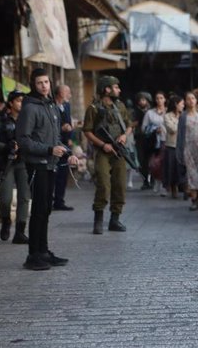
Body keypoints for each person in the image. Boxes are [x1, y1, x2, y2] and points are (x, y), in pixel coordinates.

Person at [16, 68, 73, 270]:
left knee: (46, 209)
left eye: (46, 82)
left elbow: (55, 138)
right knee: (39, 210)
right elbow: (23, 140)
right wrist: (49, 149)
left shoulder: (51, 106)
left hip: (50, 165)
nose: (44, 86)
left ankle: (43, 251)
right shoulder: (29, 108)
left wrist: (67, 153)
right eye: (40, 83)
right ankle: (33, 255)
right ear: (33, 84)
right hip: (36, 165)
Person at [83, 76, 132, 235]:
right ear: (107, 89)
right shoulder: (94, 108)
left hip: (118, 152)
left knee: (120, 185)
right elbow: (87, 131)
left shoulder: (120, 106)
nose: (119, 90)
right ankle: (98, 220)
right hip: (102, 152)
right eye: (116, 87)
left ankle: (114, 219)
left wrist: (124, 136)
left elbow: (129, 126)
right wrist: (103, 144)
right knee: (103, 185)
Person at [0, 91, 29, 243]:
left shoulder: (28, 120)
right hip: (7, 162)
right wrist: (7, 147)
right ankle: (6, 220)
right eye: (19, 100)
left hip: (24, 162)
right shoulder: (1, 120)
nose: (22, 103)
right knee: (5, 199)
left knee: (24, 197)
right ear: (11, 103)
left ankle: (20, 231)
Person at [177, 92, 198, 210]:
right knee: (191, 174)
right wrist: (179, 151)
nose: (191, 101)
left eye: (193, 98)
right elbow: (180, 135)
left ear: (196, 100)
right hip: (188, 149)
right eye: (188, 99)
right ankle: (194, 199)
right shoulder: (183, 116)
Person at [52, 85, 74, 210]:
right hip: (54, 143)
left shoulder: (66, 106)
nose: (69, 94)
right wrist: (61, 129)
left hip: (65, 143)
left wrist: (70, 135)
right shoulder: (52, 106)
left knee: (63, 173)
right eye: (67, 92)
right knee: (53, 174)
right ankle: (49, 200)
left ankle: (59, 201)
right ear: (60, 93)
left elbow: (68, 121)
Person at [142, 91, 167, 193]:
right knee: (156, 163)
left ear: (165, 99)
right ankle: (156, 181)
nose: (159, 100)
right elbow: (144, 128)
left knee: (166, 163)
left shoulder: (169, 112)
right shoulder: (150, 113)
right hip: (155, 141)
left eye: (161, 98)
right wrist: (154, 129)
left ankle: (166, 185)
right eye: (157, 98)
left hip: (168, 140)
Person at [163, 95, 185, 199]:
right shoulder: (167, 116)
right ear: (176, 105)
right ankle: (173, 187)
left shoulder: (185, 115)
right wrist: (182, 124)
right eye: (182, 104)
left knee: (183, 168)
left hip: (184, 145)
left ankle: (185, 187)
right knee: (172, 169)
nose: (183, 106)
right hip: (172, 145)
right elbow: (172, 129)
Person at [133, 91, 152, 189]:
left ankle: (152, 180)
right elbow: (133, 123)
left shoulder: (152, 111)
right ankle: (145, 180)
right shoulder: (136, 111)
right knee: (142, 160)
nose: (141, 102)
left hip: (151, 138)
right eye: (140, 100)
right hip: (140, 137)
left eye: (144, 100)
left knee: (151, 160)